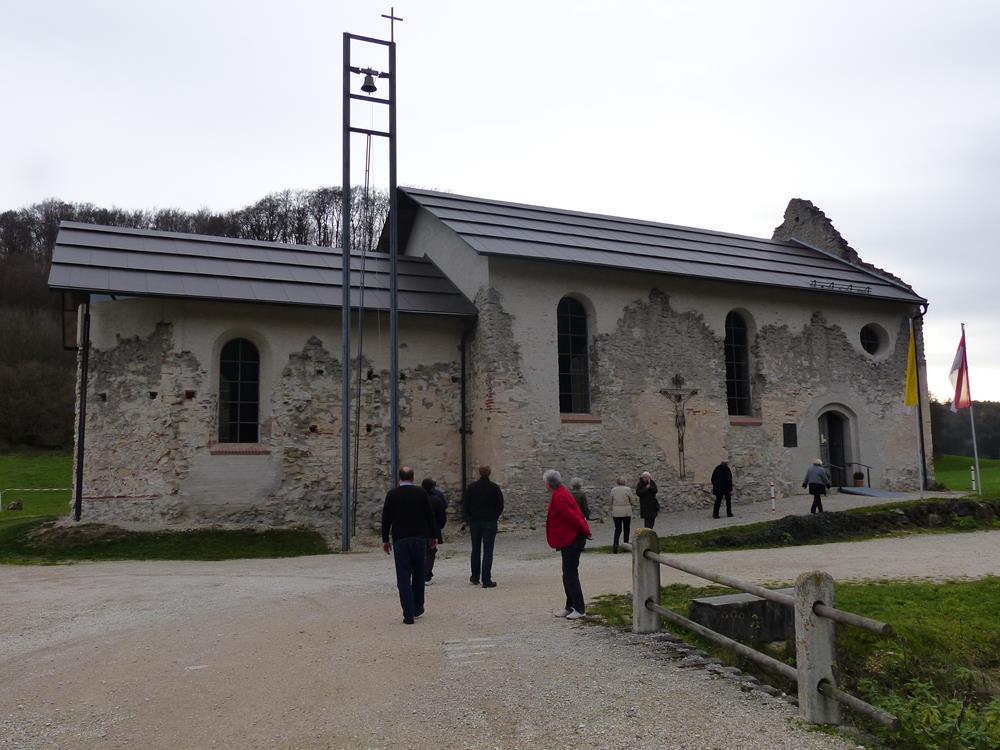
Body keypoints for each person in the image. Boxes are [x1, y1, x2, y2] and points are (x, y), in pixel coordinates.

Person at [381, 466, 442, 625]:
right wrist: (433, 535)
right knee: (418, 574)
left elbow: (386, 518)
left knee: (403, 577)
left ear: (399, 478)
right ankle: (417, 607)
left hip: (400, 539)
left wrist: (385, 539)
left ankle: (408, 613)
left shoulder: (392, 494)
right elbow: (429, 515)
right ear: (413, 478)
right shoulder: (421, 493)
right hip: (419, 538)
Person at [544, 469, 592, 620]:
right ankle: (570, 606)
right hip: (569, 538)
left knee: (570, 574)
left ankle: (579, 608)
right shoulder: (560, 493)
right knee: (567, 574)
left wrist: (586, 531)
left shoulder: (560, 496)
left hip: (573, 538)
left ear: (548, 484)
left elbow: (573, 517)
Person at [462, 464, 504, 588]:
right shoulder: (494, 488)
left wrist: (469, 517)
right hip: (490, 521)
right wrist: (494, 516)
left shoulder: (472, 487)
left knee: (475, 549)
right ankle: (486, 579)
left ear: (479, 473)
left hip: (475, 522)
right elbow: (500, 505)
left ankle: (475, 577)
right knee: (488, 550)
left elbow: (466, 504)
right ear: (489, 473)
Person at [421, 477, 448, 584]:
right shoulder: (437, 499)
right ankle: (426, 575)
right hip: (432, 529)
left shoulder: (418, 498)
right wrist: (438, 527)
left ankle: (420, 574)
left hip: (419, 529)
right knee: (430, 552)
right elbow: (442, 515)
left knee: (420, 551)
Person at [609, 477, 637, 553]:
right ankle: (626, 546)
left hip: (616, 512)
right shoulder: (628, 489)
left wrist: (611, 508)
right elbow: (632, 501)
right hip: (626, 512)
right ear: (624, 482)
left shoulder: (613, 490)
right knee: (626, 529)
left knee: (618, 529)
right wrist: (632, 504)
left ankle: (615, 545)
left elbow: (610, 501)